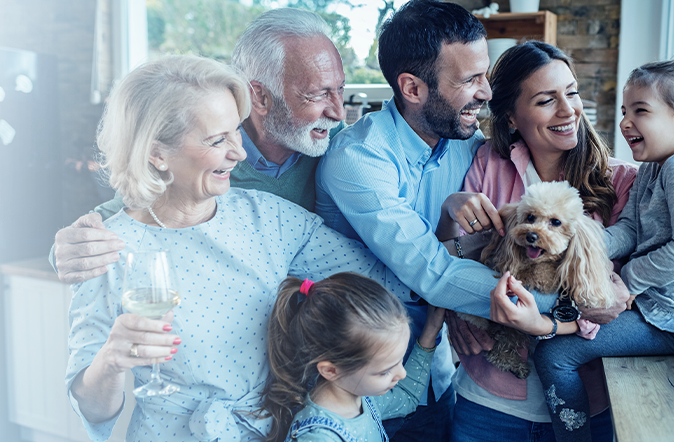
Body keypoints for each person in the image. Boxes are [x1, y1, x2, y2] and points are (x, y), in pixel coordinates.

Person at [66, 55, 408, 442]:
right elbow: (91, 409)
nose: (240, 153)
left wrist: (457, 245)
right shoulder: (104, 249)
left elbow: (386, 277)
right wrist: (111, 361)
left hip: (274, 431)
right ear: (156, 153)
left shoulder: (268, 217)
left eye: (236, 133)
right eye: (217, 140)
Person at [314, 1, 502, 438]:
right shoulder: (358, 158)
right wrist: (562, 308)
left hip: (433, 370)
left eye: (485, 74)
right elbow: (434, 275)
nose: (486, 92)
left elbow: (468, 250)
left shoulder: (468, 144)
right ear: (412, 88)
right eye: (470, 79)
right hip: (357, 387)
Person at [52, 8, 346, 284]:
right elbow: (125, 214)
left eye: (340, 89)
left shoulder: (340, 145)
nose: (338, 113)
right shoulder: (199, 163)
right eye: (317, 95)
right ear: (259, 97)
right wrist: (66, 250)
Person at [438, 41, 635, 442]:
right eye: (547, 100)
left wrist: (546, 323)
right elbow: (452, 262)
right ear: (511, 116)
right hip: (489, 404)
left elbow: (621, 302)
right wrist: (455, 312)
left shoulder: (622, 182)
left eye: (572, 92)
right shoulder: (486, 166)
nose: (568, 111)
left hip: (589, 400)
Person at [529, 59, 674, 442]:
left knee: (554, 355)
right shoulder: (655, 165)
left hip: (670, 321)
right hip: (656, 308)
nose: (625, 122)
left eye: (641, 111)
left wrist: (628, 282)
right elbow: (631, 230)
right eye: (624, 111)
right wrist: (578, 243)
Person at [260, 273, 445, 442]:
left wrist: (430, 332)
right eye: (385, 371)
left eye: (399, 362)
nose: (402, 373)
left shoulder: (360, 394)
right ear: (331, 371)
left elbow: (406, 397)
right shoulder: (318, 437)